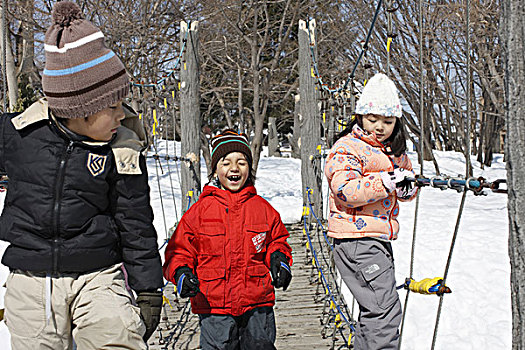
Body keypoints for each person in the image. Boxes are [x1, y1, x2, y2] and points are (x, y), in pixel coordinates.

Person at [0, 2, 163, 349]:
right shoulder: (21, 134)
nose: (123, 115)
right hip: (32, 276)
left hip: (98, 273)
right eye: (113, 107)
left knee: (117, 333)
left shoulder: (121, 148)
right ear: (81, 109)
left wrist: (148, 288)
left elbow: (135, 221)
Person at [163, 129, 293, 350]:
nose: (234, 168)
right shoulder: (199, 211)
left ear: (249, 169)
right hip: (214, 305)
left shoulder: (263, 209)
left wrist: (279, 259)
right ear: (215, 170)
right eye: (226, 163)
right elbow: (180, 250)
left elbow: (276, 240)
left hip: (257, 302)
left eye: (241, 162)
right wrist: (181, 273)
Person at [324, 73, 418, 350]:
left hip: (375, 240)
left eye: (387, 122)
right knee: (384, 311)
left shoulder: (394, 152)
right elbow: (345, 190)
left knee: (374, 310)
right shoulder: (347, 149)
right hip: (356, 241)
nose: (379, 127)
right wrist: (386, 181)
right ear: (360, 117)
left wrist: (404, 188)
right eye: (372, 119)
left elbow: (409, 182)